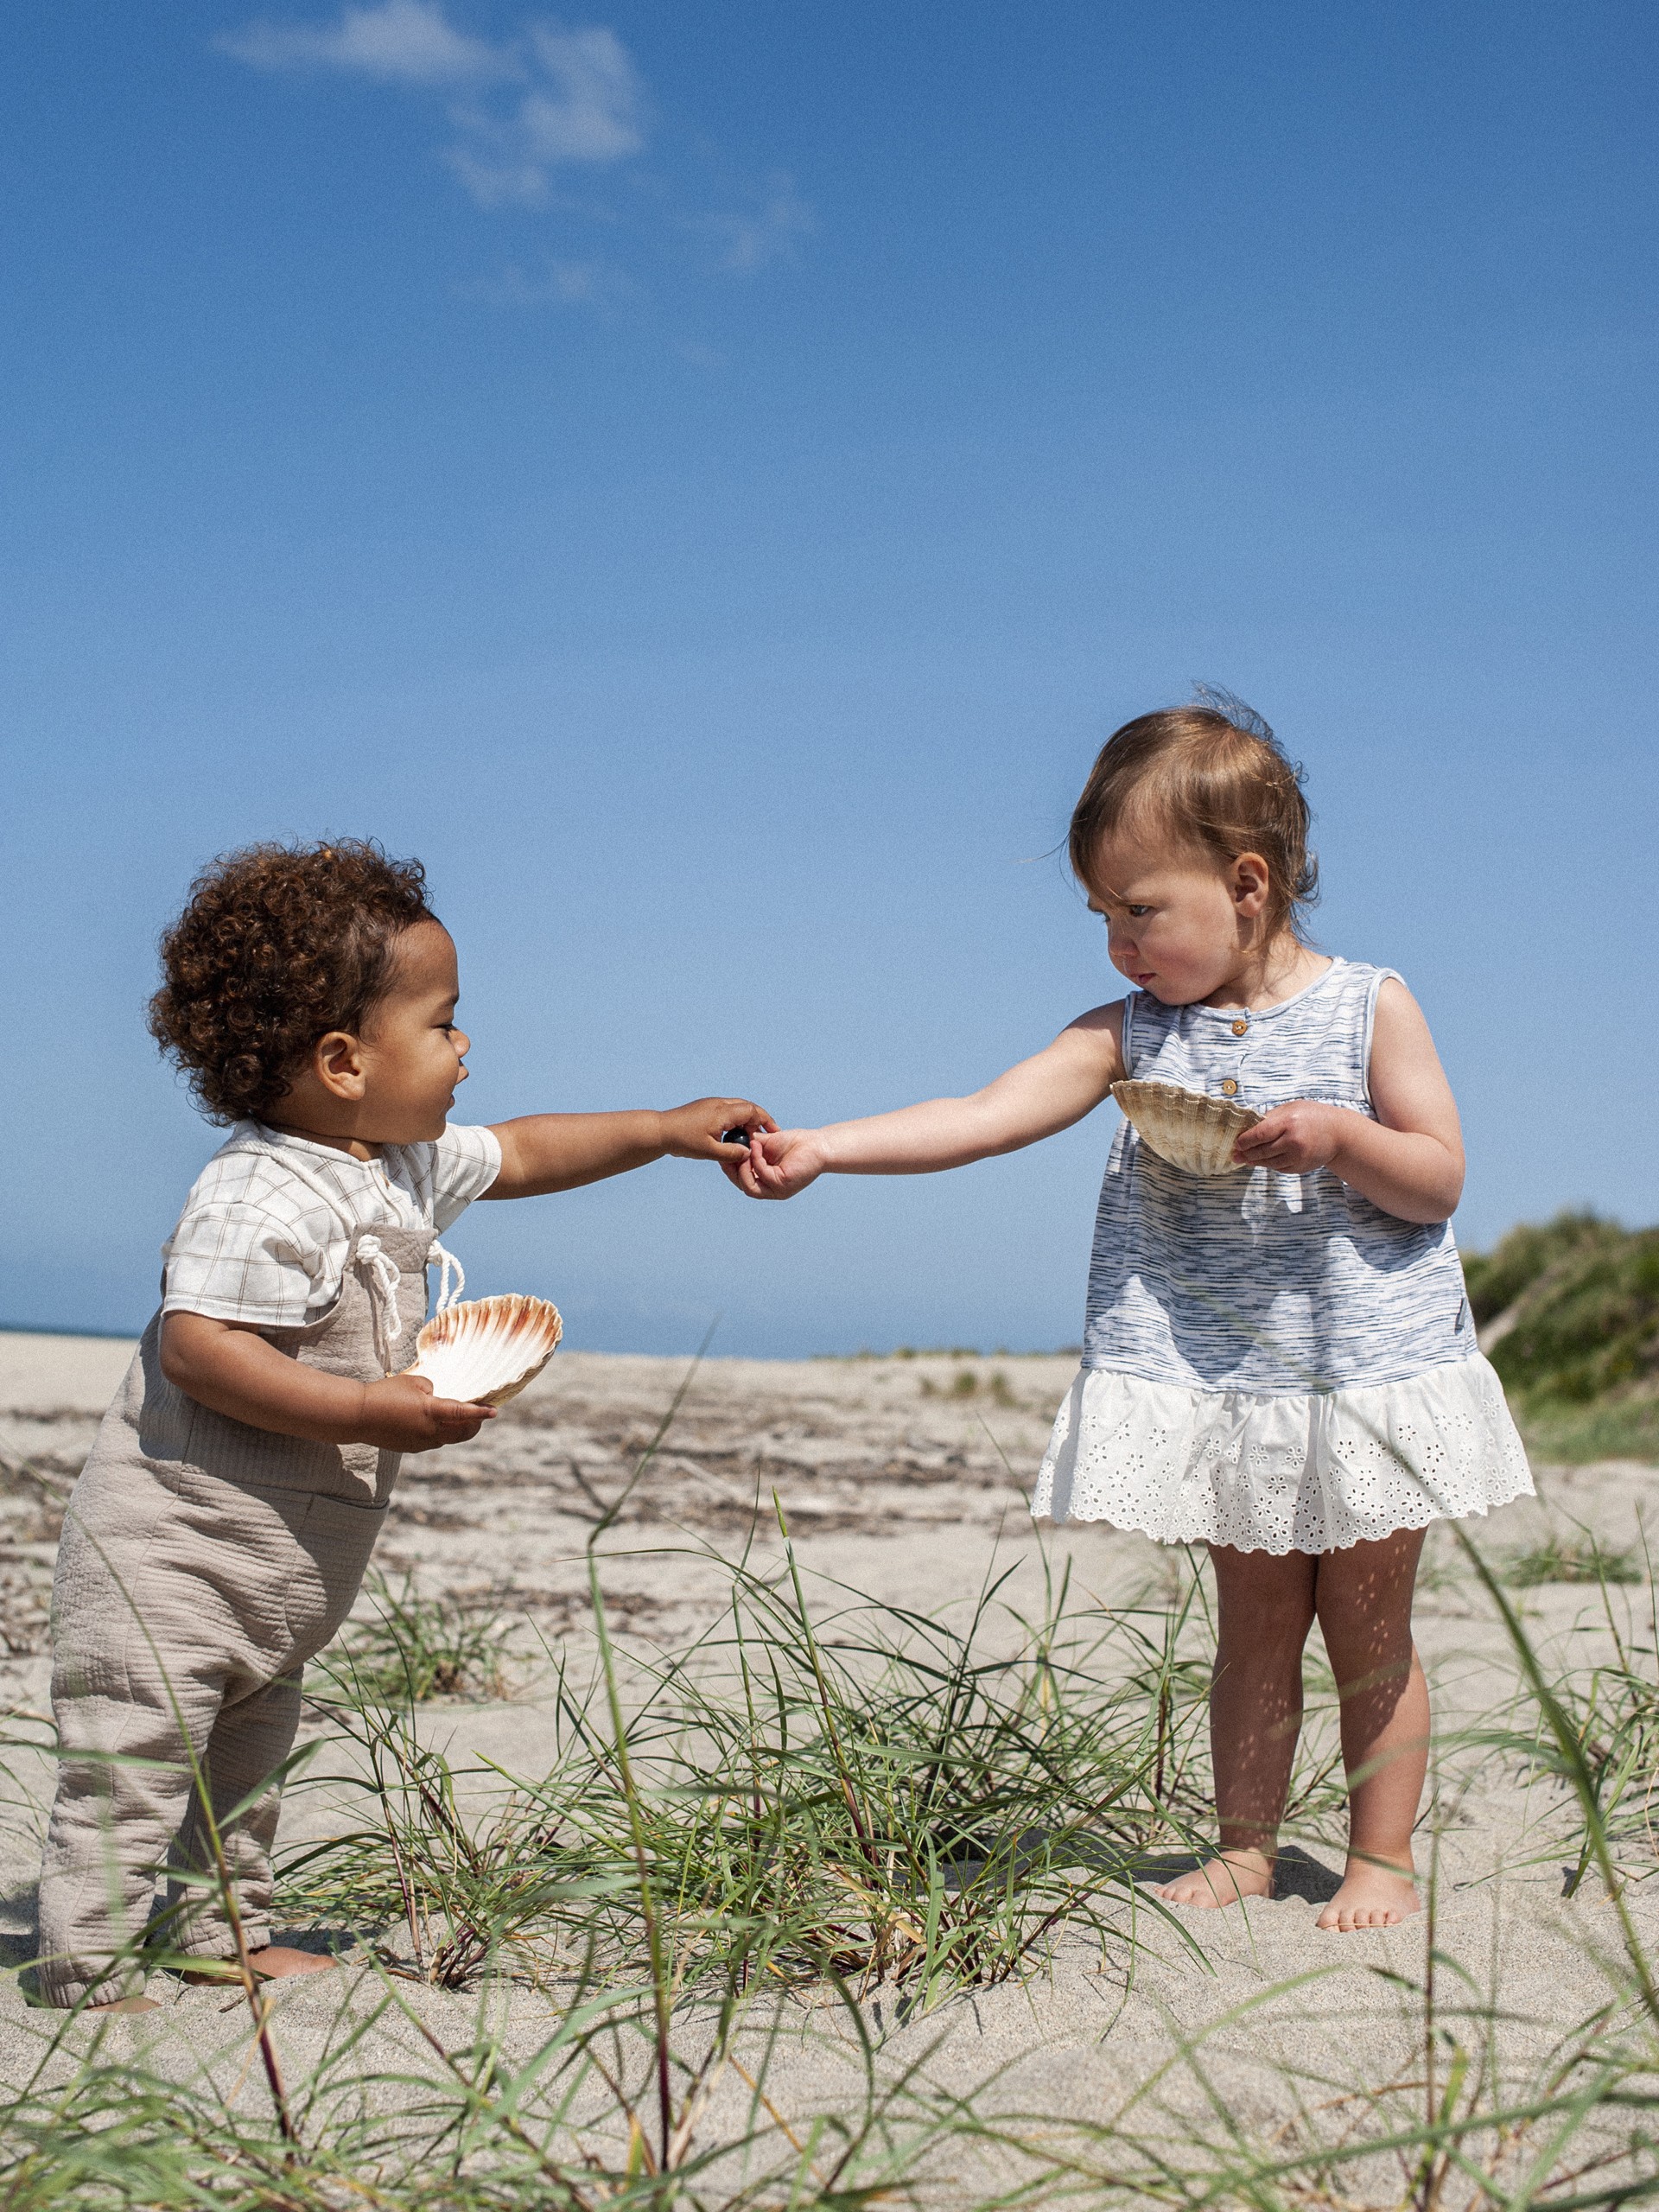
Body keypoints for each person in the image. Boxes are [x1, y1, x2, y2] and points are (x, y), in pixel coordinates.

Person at [741, 694, 1531, 1932]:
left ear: (1249, 884)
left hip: (1370, 1368)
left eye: (1141, 911)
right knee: (1255, 1628)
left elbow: (1438, 1175)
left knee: (1370, 1628)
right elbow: (990, 1109)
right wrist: (827, 1149)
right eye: (1103, 915)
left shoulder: (1370, 1005)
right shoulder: (1132, 1035)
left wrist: (1337, 1138)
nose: (1119, 943)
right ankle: (1250, 1848)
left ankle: (1382, 1860)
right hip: (1226, 1379)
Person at [38, 839, 772, 2011]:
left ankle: (219, 1928)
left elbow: (527, 1149)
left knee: (246, 1756)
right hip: (170, 1553)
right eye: (443, 1023)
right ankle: (84, 1959)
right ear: (341, 1060)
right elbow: (199, 1349)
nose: (465, 1046)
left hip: (279, 1566)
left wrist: (664, 1127)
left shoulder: (396, 1168)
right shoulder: (258, 1190)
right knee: (134, 1754)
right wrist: (364, 1405)